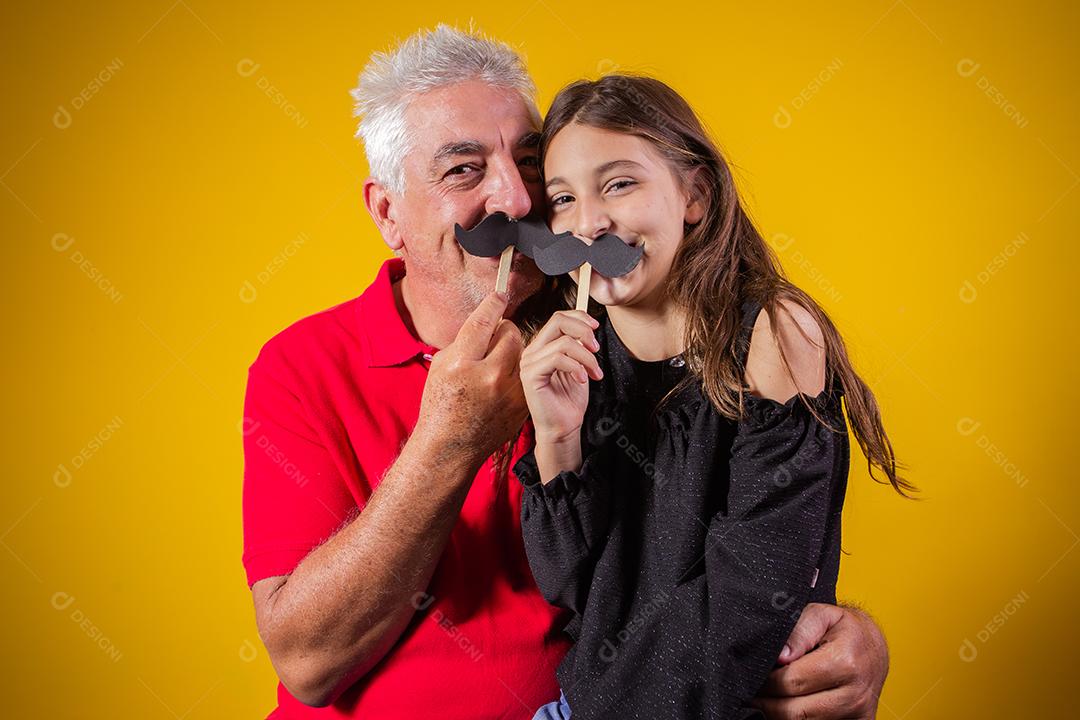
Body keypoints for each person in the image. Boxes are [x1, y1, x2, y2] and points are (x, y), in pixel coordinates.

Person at [242, 25, 891, 719]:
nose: (516, 202)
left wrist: (835, 636)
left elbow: (722, 552)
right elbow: (307, 663)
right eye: (464, 169)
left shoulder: (605, 323)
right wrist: (451, 437)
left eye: (528, 165)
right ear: (387, 212)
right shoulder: (303, 367)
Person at [516, 75, 915, 719]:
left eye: (620, 184)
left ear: (695, 195)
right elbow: (571, 590)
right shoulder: (571, 357)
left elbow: (748, 602)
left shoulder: (775, 336)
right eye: (563, 199)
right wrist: (557, 438)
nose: (589, 223)